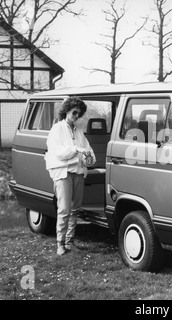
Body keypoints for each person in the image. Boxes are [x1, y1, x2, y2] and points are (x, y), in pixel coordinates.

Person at [45, 97, 96, 256]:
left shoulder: (78, 131)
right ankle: (60, 244)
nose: (76, 116)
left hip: (79, 173)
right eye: (74, 112)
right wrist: (76, 150)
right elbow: (59, 153)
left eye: (79, 114)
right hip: (63, 173)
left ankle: (69, 241)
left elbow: (89, 153)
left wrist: (89, 159)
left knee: (76, 209)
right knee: (65, 209)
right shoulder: (57, 129)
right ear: (66, 110)